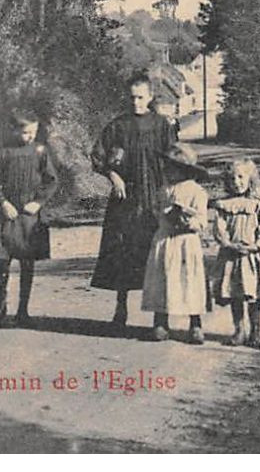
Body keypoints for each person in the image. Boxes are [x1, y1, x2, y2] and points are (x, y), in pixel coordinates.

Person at [90, 74, 175, 332]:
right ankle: (121, 308)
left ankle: (160, 319)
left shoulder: (162, 126)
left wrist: (169, 194)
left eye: (141, 97)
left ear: (150, 97)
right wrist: (113, 175)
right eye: (132, 97)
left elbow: (173, 160)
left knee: (156, 253)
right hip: (125, 199)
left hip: (154, 198)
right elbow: (99, 155)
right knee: (123, 252)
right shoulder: (117, 126)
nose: (136, 102)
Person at [0, 110, 60, 328]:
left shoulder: (40, 151)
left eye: (33, 132)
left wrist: (38, 202)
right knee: (3, 260)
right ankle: (1, 308)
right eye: (25, 132)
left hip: (29, 215)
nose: (30, 137)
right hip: (7, 213)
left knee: (27, 261)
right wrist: (3, 203)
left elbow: (51, 181)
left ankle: (23, 310)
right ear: (14, 130)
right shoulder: (3, 152)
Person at [142, 143, 210, 344]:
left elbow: (202, 220)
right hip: (165, 241)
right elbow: (155, 211)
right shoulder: (163, 191)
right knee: (162, 280)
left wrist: (188, 221)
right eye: (165, 166)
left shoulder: (196, 192)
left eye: (171, 167)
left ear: (184, 170)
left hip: (186, 243)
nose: (166, 171)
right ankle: (161, 321)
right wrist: (162, 215)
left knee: (189, 279)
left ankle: (195, 323)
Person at [212, 157, 260, 349]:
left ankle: (255, 332)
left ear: (251, 179)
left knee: (254, 294)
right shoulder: (224, 205)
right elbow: (219, 228)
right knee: (235, 293)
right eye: (232, 178)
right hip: (232, 255)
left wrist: (256, 245)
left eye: (241, 177)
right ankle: (239, 330)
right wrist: (228, 244)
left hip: (252, 256)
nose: (236, 182)